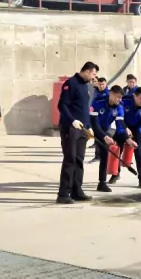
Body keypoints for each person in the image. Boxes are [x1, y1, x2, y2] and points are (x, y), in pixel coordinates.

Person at [56, 61, 99, 204]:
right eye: (93, 74)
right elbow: (62, 105)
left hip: (82, 130)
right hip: (71, 128)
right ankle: (63, 194)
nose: (94, 77)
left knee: (79, 160)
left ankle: (76, 190)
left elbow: (83, 108)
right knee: (70, 159)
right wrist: (72, 120)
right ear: (86, 71)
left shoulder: (85, 86)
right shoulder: (71, 83)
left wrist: (88, 126)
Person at [113, 87, 141, 188]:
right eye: (140, 99)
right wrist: (125, 129)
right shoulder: (124, 101)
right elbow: (119, 118)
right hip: (124, 126)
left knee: (139, 152)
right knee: (117, 149)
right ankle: (116, 173)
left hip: (138, 129)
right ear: (134, 96)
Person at [90, 85, 124, 192]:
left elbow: (120, 125)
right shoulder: (98, 101)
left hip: (105, 130)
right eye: (118, 97)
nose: (120, 99)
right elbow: (94, 123)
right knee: (77, 157)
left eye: (121, 97)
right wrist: (104, 136)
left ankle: (102, 183)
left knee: (104, 155)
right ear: (111, 94)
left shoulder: (119, 107)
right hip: (90, 129)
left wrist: (127, 137)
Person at [88, 77, 109, 157]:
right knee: (97, 137)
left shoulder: (107, 93)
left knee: (102, 137)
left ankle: (101, 155)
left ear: (105, 84)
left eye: (103, 84)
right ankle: (98, 155)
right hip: (96, 117)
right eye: (100, 84)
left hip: (104, 118)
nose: (101, 86)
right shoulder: (96, 91)